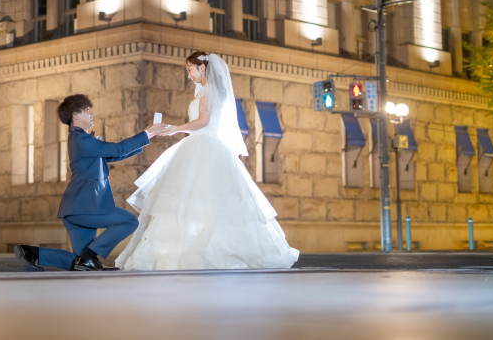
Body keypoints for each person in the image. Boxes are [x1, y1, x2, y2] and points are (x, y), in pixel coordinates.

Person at [115, 52, 299, 270]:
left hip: (204, 146)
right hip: (199, 146)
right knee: (195, 201)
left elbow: (203, 121)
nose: (188, 74)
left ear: (202, 68)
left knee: (196, 200)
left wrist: (176, 128)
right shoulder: (206, 91)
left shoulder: (209, 91)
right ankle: (191, 248)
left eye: (189, 69)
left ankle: (196, 251)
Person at [15, 94, 169, 272]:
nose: (91, 113)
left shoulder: (80, 139)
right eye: (87, 110)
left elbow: (115, 154)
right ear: (75, 115)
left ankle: (31, 252)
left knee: (80, 263)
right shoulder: (81, 140)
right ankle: (88, 257)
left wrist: (148, 136)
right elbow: (118, 148)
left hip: (75, 209)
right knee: (129, 221)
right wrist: (147, 132)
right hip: (84, 207)